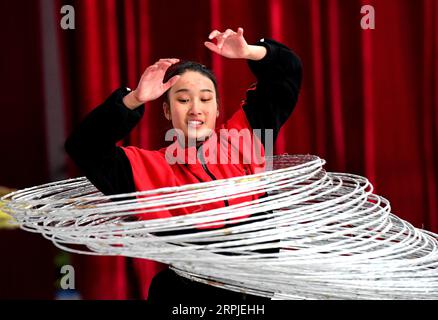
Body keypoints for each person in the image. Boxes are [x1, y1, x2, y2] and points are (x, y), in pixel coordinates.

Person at [65, 27, 302, 301]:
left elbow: (287, 74)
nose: (195, 109)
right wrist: (134, 99)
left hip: (257, 294)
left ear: (217, 107)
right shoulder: (146, 169)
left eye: (205, 98)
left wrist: (250, 52)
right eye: (182, 99)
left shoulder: (246, 136)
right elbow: (84, 146)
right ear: (166, 110)